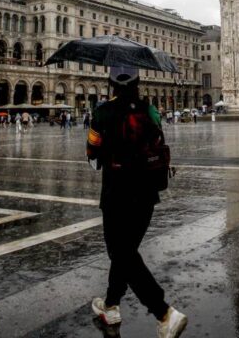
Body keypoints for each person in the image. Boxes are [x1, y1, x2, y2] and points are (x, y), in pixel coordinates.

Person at [86, 66, 187, 337]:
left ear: (111, 84)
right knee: (126, 252)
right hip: (146, 193)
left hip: (116, 193)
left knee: (121, 253)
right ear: (139, 82)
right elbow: (158, 140)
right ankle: (111, 305)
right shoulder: (150, 110)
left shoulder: (103, 112)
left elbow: (92, 151)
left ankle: (164, 312)